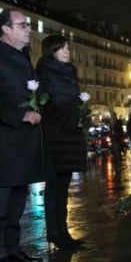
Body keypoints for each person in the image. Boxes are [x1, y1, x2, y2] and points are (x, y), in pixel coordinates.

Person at [0, 9, 45, 262]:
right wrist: (21, 114)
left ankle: (14, 248)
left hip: (23, 141)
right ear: (6, 29)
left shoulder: (24, 59)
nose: (28, 29)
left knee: (19, 199)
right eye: (23, 25)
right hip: (1, 142)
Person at [36, 35, 88, 250]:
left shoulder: (70, 72)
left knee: (63, 185)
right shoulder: (44, 71)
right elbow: (44, 103)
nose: (68, 51)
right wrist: (65, 119)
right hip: (54, 134)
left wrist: (81, 111)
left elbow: (72, 100)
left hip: (70, 134)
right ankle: (55, 233)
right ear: (52, 50)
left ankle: (62, 231)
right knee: (54, 185)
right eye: (63, 48)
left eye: (68, 47)